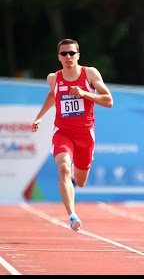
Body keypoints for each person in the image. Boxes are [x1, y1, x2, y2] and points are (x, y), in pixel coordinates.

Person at [31, 38, 113, 232]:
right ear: (58, 57)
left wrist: (85, 93)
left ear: (78, 55)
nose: (68, 57)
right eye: (64, 54)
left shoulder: (89, 73)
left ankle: (76, 173)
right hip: (63, 133)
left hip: (85, 135)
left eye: (71, 53)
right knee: (64, 169)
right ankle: (72, 215)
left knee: (81, 181)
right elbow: (52, 95)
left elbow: (109, 100)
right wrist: (39, 117)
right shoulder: (54, 78)